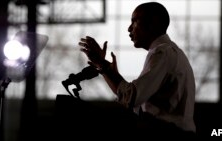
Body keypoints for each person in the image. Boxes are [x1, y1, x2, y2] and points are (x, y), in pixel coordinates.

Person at [78, 2, 196, 138]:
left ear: (153, 23)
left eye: (134, 21)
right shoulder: (170, 52)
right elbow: (129, 101)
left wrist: (104, 65)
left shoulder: (162, 52)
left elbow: (132, 98)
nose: (129, 28)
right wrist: (106, 70)